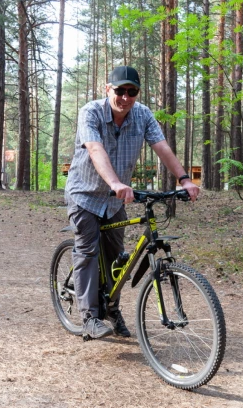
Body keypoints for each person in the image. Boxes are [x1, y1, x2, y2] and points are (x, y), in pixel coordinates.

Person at [64, 65, 200, 339]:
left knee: (117, 261)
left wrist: (184, 179)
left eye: (132, 92)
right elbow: (94, 148)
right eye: (120, 91)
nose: (125, 97)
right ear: (108, 89)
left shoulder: (142, 114)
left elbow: (161, 147)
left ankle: (111, 308)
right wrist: (114, 183)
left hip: (115, 202)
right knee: (88, 251)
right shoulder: (90, 112)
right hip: (85, 194)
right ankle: (89, 318)